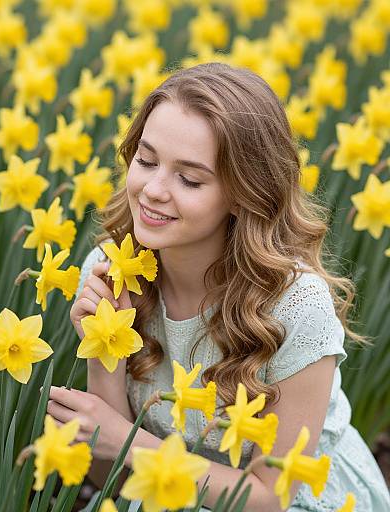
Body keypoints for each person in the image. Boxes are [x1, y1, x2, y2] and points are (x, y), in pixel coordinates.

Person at [46, 62, 390, 511]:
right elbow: (107, 474)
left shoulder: (296, 307)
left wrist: (131, 444)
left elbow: (269, 498)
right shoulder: (110, 270)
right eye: (146, 161)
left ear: (244, 193)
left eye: (189, 179)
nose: (152, 189)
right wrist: (101, 351)